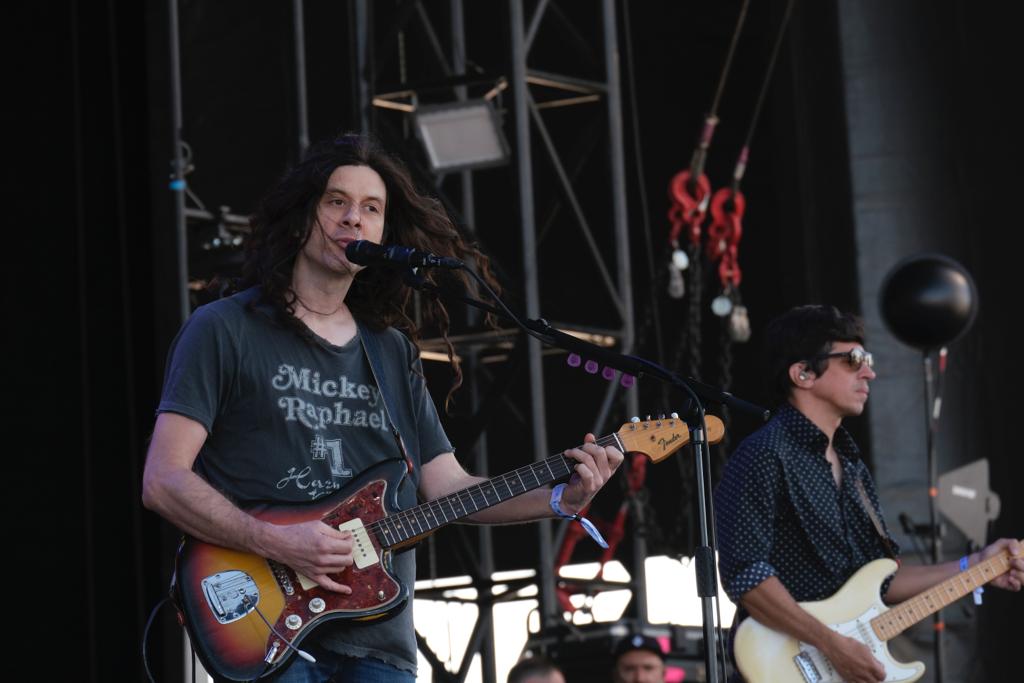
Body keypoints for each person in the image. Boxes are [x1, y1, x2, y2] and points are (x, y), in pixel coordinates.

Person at [141, 134, 624, 682]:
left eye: (371, 209)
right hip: (265, 623)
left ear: (384, 234)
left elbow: (447, 489)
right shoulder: (224, 328)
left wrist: (561, 497)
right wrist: (279, 542)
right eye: (336, 202)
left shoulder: (391, 351)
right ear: (302, 218)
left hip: (379, 642)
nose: (354, 219)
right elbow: (162, 479)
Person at [714, 304, 1023, 683]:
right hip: (781, 665)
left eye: (868, 359)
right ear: (803, 373)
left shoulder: (853, 466)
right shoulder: (763, 454)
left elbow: (884, 580)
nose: (869, 372)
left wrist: (976, 567)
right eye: (853, 360)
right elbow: (746, 576)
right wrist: (832, 645)